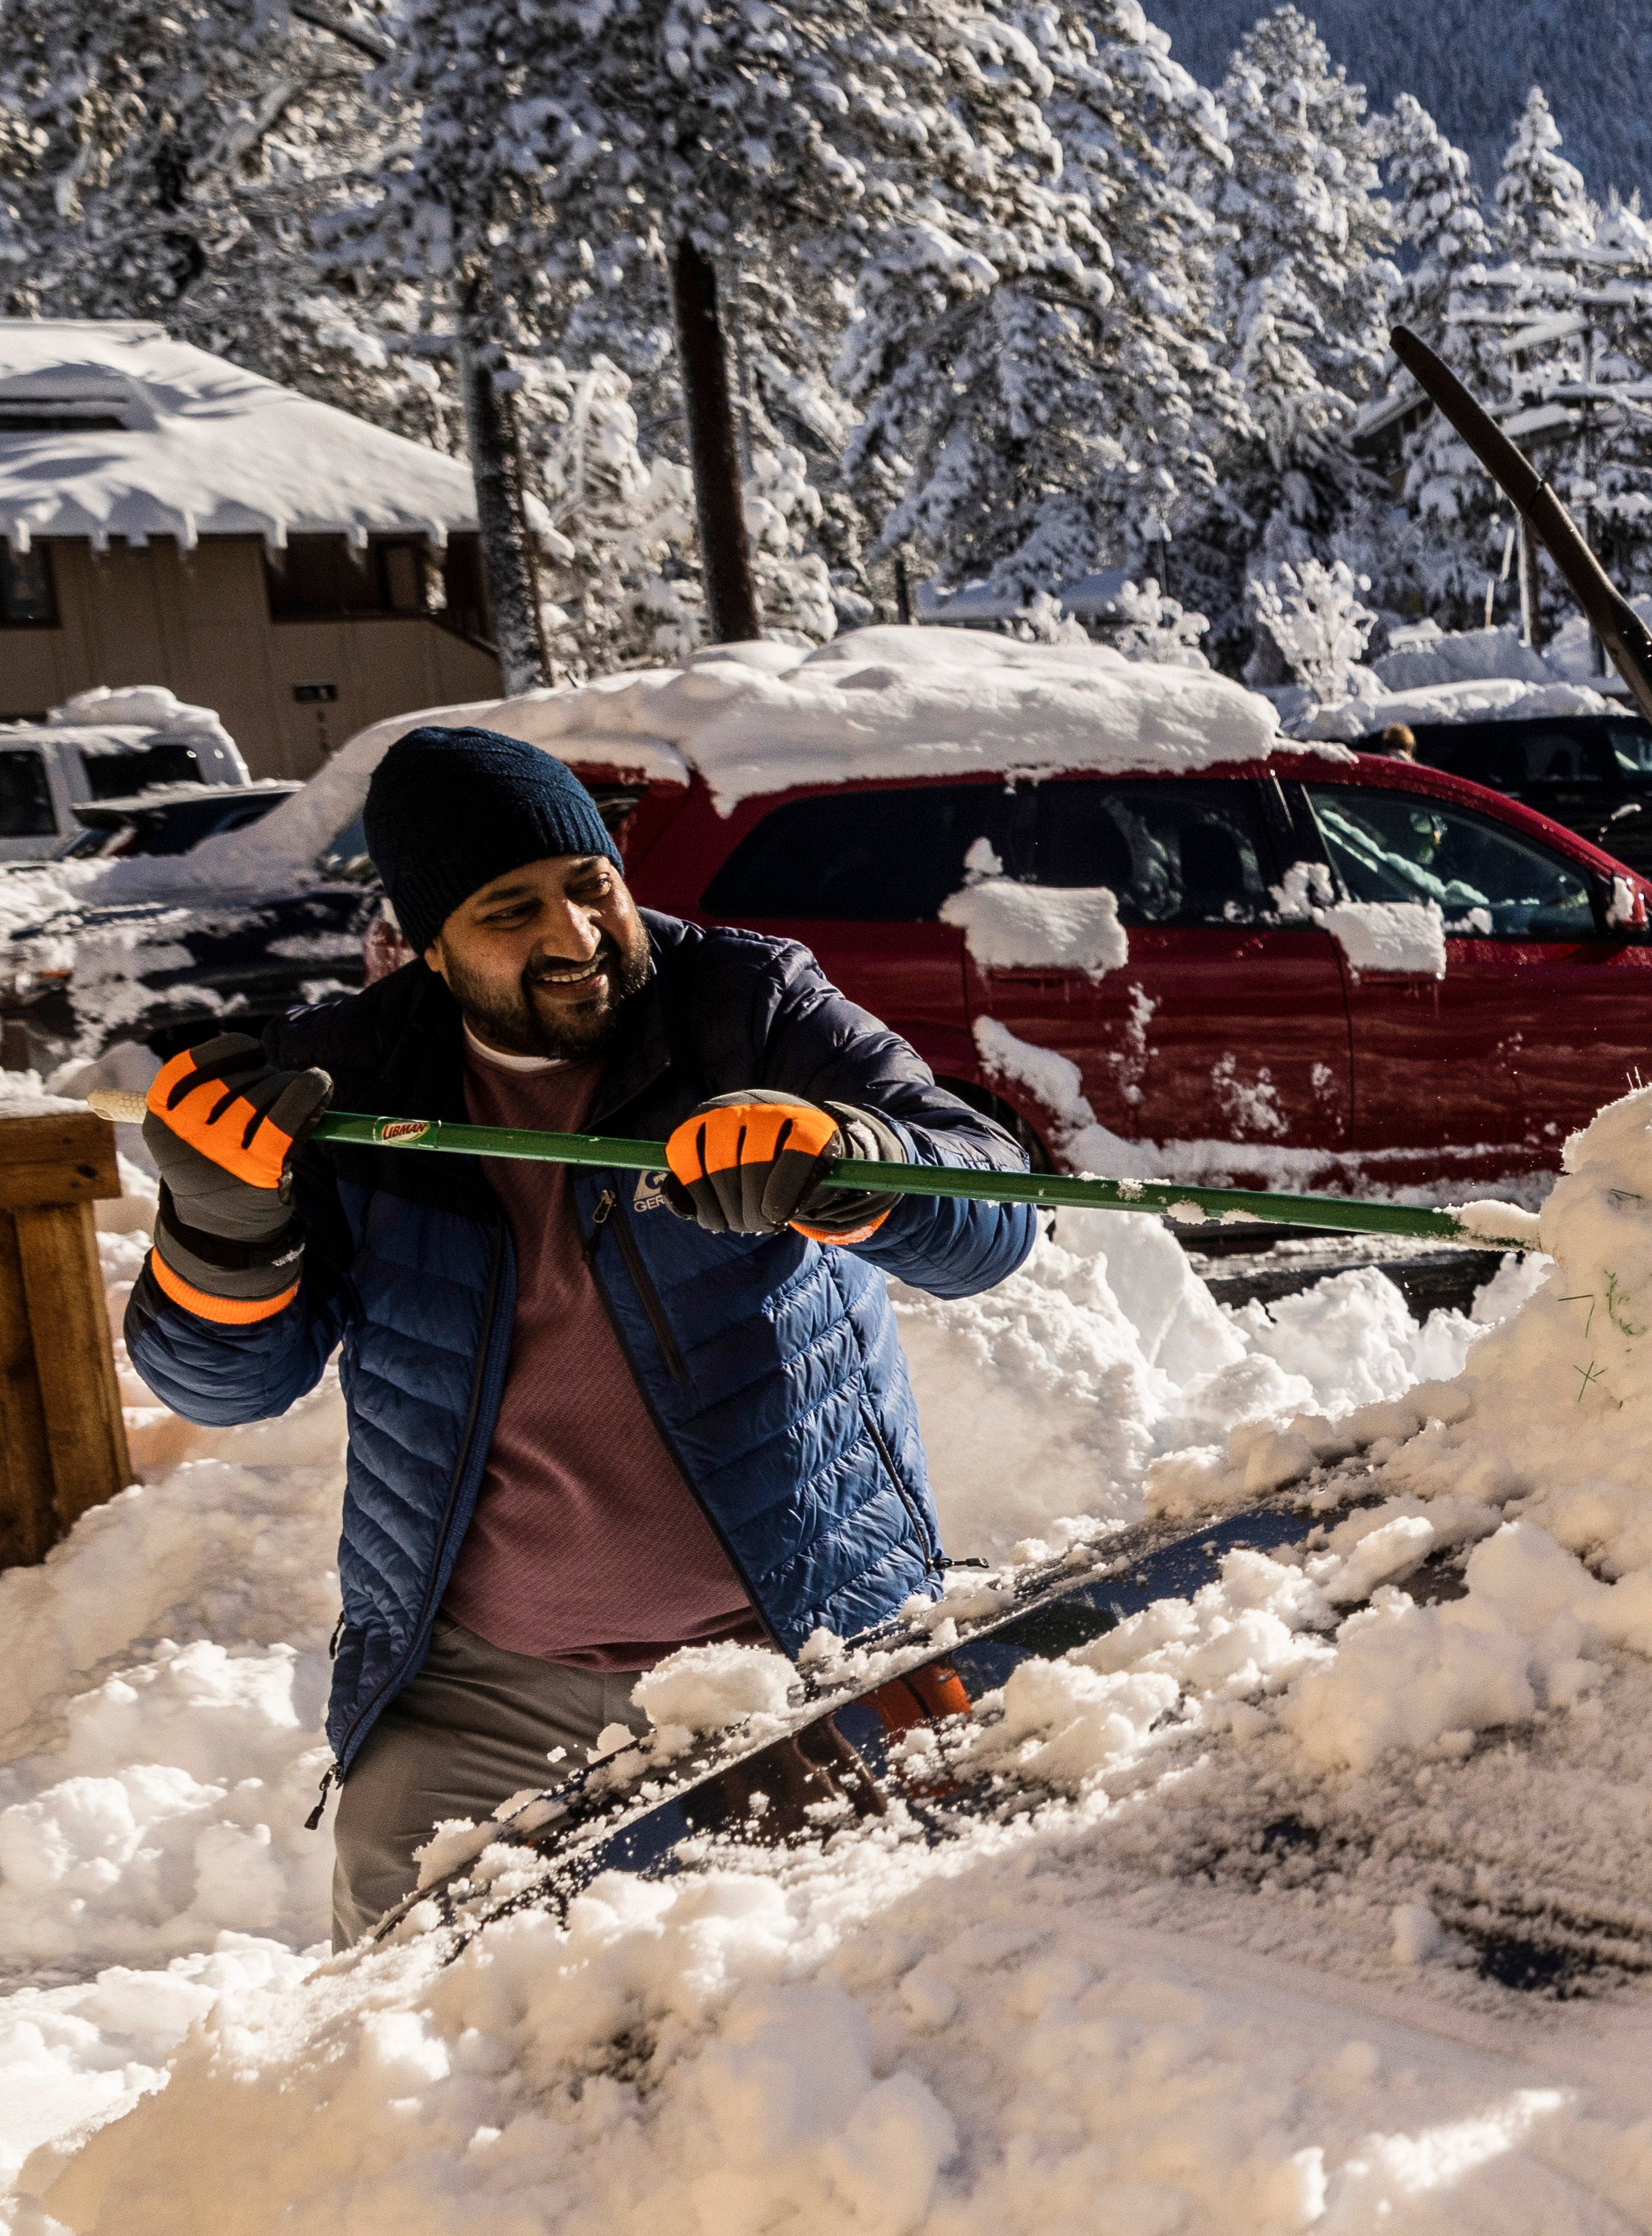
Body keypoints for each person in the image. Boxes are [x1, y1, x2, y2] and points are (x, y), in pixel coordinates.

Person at [120, 725, 1036, 1935]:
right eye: (511, 911)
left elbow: (996, 1214)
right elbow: (228, 1385)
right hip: (475, 1693)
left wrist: (852, 1160)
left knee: (855, 1988)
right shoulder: (352, 1081)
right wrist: (219, 1230)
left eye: (590, 883)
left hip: (788, 1646)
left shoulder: (749, 1005)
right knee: (402, 2019)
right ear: (430, 947)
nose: (576, 935)